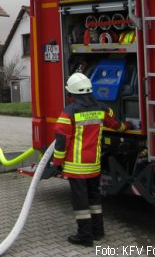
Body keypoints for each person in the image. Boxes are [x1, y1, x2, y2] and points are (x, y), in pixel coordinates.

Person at [52, 72, 131, 247]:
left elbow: (61, 140)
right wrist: (127, 126)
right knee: (94, 199)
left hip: (76, 167)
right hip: (94, 165)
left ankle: (85, 236)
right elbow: (116, 124)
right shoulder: (102, 108)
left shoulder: (69, 112)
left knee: (81, 202)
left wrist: (57, 164)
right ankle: (98, 231)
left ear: (71, 93)